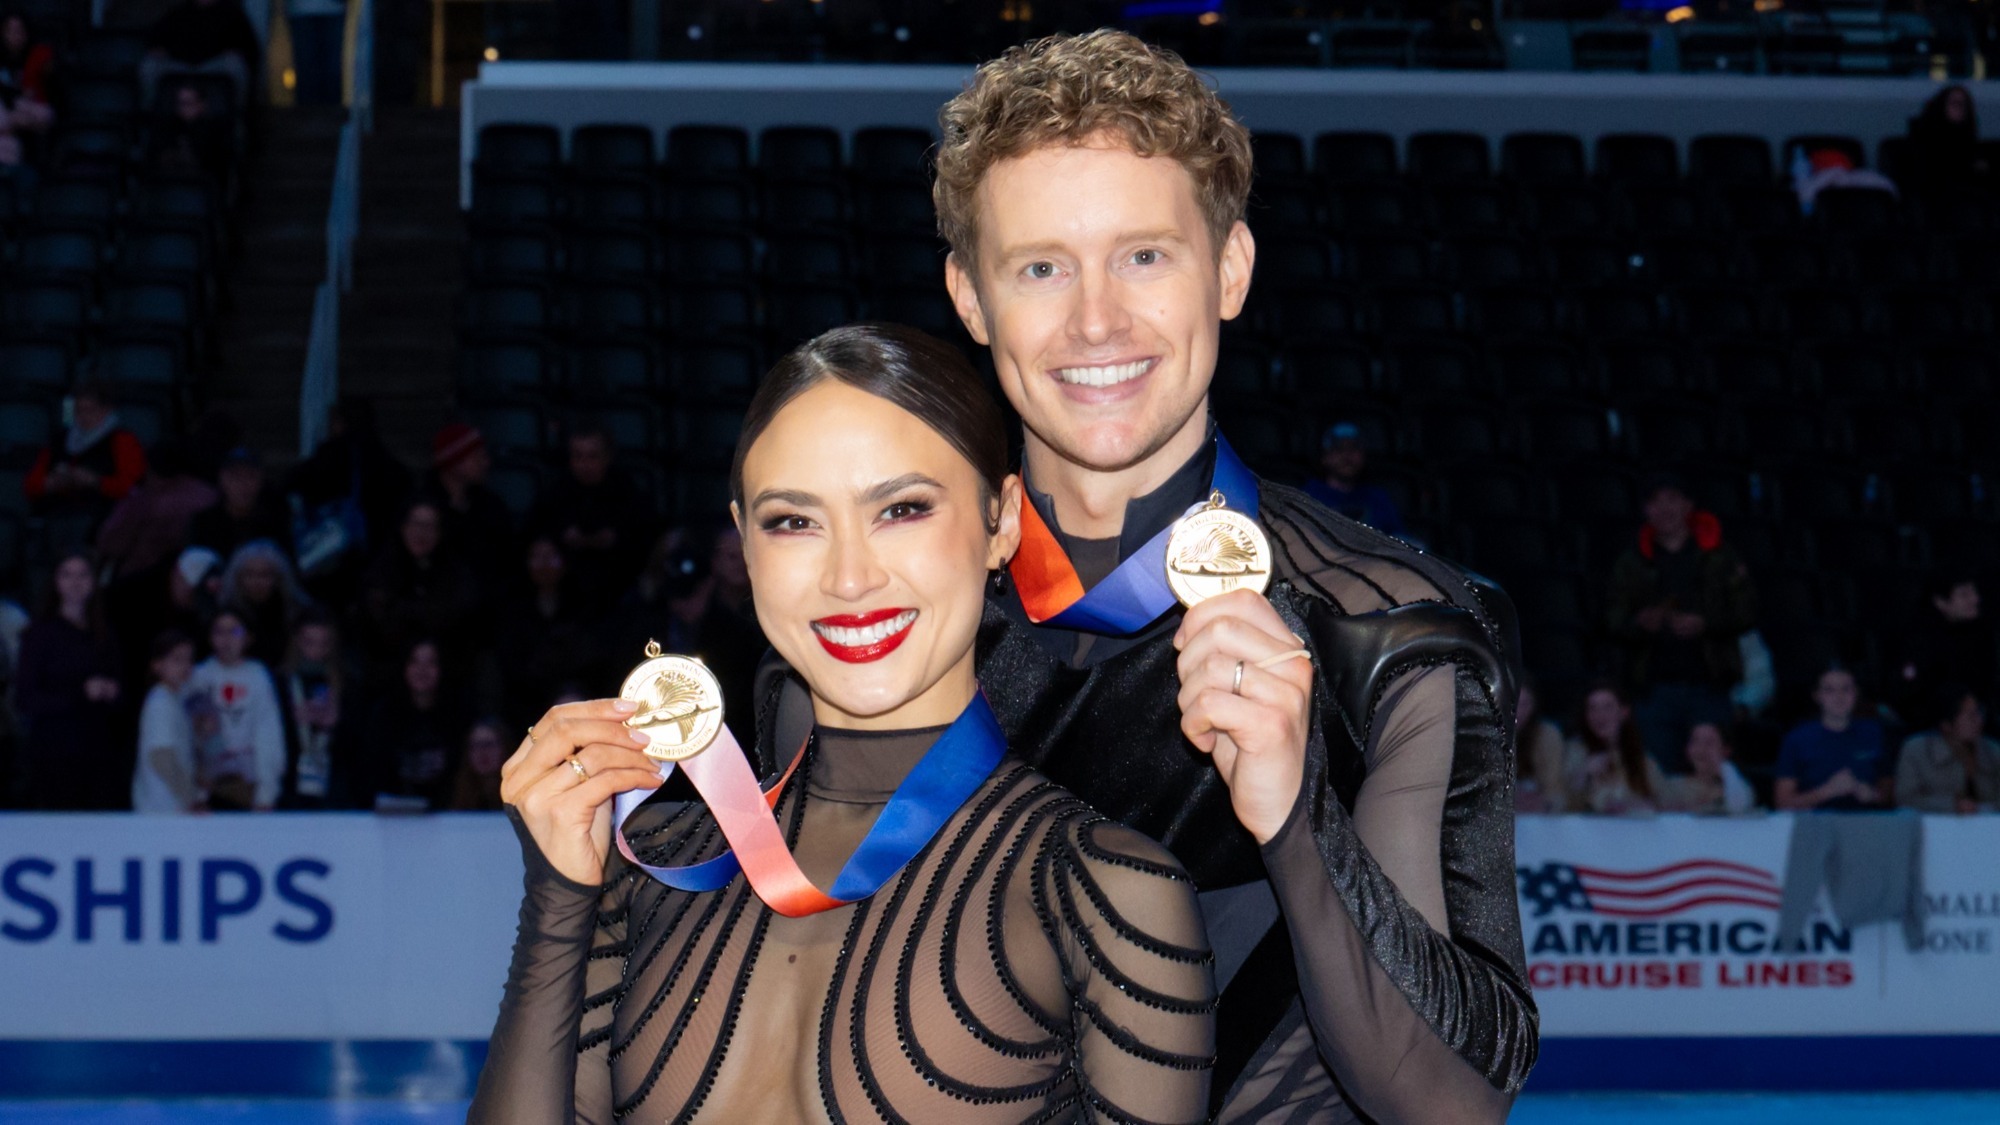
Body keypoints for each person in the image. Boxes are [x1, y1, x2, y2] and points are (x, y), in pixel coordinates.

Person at [870, 30, 1524, 1121]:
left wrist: (1294, 815)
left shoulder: (1396, 629)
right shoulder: (881, 622)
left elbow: (1451, 1105)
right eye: (1040, 267)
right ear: (969, 298)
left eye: (1143, 255)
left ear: (1228, 270)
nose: (1094, 322)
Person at [472, 324, 1216, 1123]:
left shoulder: (1099, 894)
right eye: (794, 521)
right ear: (745, 544)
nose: (850, 576)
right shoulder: (649, 869)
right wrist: (557, 899)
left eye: (901, 508)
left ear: (1003, 520)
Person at [1606, 473, 1755, 772]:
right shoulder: (1631, 562)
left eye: (1672, 499)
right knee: (1658, 776)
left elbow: (1747, 612)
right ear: (1646, 509)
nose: (1665, 509)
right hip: (1654, 690)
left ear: (1688, 505)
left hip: (1709, 685)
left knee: (1716, 775)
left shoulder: (1719, 557)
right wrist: (1640, 623)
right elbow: (1611, 619)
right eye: (1655, 502)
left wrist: (1706, 624)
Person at [14, 552, 124, 809]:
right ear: (56, 582)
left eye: (83, 575)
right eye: (67, 574)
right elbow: (25, 698)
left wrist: (112, 692)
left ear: (94, 581)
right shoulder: (40, 634)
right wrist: (80, 694)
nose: (75, 582)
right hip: (56, 753)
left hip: (99, 750)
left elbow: (123, 694)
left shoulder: (105, 634)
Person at [523, 421, 652, 616]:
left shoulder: (626, 490)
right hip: (566, 580)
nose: (585, 464)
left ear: (607, 457)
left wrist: (615, 539)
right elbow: (534, 530)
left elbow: (644, 535)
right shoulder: (556, 491)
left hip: (618, 579)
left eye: (592, 456)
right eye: (578, 456)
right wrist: (560, 538)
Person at [23, 382, 149, 551]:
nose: (83, 416)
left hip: (103, 521)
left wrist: (95, 481)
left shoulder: (122, 440)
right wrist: (51, 483)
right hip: (58, 516)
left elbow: (131, 488)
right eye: (78, 410)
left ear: (106, 410)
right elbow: (31, 484)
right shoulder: (60, 439)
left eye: (90, 410)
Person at [358, 498, 480, 670]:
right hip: (388, 666)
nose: (421, 533)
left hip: (446, 669)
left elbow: (456, 619)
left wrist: (405, 610)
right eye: (415, 524)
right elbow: (379, 623)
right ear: (403, 526)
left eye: (430, 526)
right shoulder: (382, 569)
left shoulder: (456, 573)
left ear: (440, 531)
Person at [495, 535, 599, 730]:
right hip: (526, 703)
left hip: (574, 697)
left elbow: (589, 660)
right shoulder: (514, 610)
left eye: (550, 556)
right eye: (537, 557)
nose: (543, 564)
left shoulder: (581, 606)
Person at [188, 607, 286, 811]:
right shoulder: (198, 676)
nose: (227, 639)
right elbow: (195, 735)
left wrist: (266, 793)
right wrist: (198, 793)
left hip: (249, 786)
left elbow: (268, 734)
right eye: (219, 632)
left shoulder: (258, 676)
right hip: (208, 787)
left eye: (235, 632)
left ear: (248, 637)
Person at [362, 638, 467, 811]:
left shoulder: (458, 715)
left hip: (446, 817)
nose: (422, 670)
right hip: (391, 816)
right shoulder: (384, 715)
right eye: (415, 662)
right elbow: (372, 770)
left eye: (430, 663)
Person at [95, 437, 219, 581]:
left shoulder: (143, 498)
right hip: (196, 578)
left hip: (143, 580)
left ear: (149, 466)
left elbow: (110, 543)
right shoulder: (209, 495)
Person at [1774, 665, 1888, 812]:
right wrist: (1826, 791)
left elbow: (1890, 790)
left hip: (1866, 823)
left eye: (1846, 689)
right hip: (1814, 826)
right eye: (1829, 690)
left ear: (1856, 693)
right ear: (1817, 696)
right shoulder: (1797, 739)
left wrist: (1873, 794)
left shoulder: (1873, 733)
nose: (1839, 697)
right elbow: (1782, 803)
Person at [424, 422, 515, 605]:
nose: (486, 462)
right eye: (477, 457)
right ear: (455, 463)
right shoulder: (422, 511)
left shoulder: (493, 507)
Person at [1893, 573, 1995, 723]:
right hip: (1935, 727)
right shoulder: (1919, 641)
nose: (1975, 599)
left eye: (1974, 592)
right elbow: (1909, 697)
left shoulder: (1981, 632)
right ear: (1941, 602)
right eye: (1964, 595)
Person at [278, 608, 348, 808]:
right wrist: (292, 722)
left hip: (334, 790)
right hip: (289, 786)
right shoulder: (280, 683)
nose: (316, 650)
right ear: (297, 641)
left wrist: (336, 723)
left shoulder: (346, 683)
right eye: (309, 642)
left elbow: (358, 745)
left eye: (324, 643)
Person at [1895, 686, 2000, 814]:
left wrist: (1982, 809)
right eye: (1971, 716)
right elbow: (1906, 799)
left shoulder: (1993, 751)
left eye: (1979, 713)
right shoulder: (1916, 750)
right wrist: (1951, 806)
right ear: (1946, 725)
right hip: (1933, 829)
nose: (1979, 721)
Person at [1566, 683, 1667, 815]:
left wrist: (1636, 806)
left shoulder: (1642, 759)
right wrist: (1585, 774)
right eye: (1592, 708)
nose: (1599, 715)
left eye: (1607, 707)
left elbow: (1663, 802)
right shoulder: (1574, 751)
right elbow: (1562, 805)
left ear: (1623, 712)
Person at [132, 629, 201, 814]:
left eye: (189, 659)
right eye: (177, 660)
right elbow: (161, 756)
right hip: (162, 808)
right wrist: (191, 799)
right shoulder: (160, 702)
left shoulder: (175, 699)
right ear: (157, 665)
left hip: (170, 807)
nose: (185, 666)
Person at [139, 0, 258, 107]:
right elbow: (155, 37)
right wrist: (157, 48)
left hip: (215, 66)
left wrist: (236, 52)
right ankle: (148, 119)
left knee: (236, 65)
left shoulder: (232, 13)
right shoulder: (179, 12)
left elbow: (249, 46)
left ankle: (237, 122)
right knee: (151, 65)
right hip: (179, 64)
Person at [218, 539, 311, 670]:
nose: (257, 582)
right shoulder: (227, 615)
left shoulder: (296, 612)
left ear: (278, 577)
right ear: (238, 577)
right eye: (249, 574)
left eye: (265, 575)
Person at [1303, 421, 1404, 536]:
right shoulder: (1308, 497)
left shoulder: (1378, 499)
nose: (1347, 456)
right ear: (1325, 457)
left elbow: (1398, 540)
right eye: (1339, 449)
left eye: (1354, 449)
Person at [190, 447, 291, 560]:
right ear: (222, 479)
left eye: (250, 476)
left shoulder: (275, 523)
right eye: (236, 477)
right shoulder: (204, 523)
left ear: (261, 480)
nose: (243, 484)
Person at [1901, 86, 1989, 197]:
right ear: (1942, 105)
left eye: (1964, 104)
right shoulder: (1924, 137)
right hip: (1933, 196)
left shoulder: (1967, 137)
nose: (1960, 109)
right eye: (1955, 103)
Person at [1514, 675, 1578, 814]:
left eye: (1525, 704)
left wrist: (1544, 802)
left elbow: (1555, 787)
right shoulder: (1485, 735)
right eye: (1514, 702)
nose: (1518, 711)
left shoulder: (1548, 736)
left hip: (1538, 817)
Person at [1667, 721, 1756, 815]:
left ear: (1726, 750)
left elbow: (1740, 809)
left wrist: (1726, 769)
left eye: (1709, 743)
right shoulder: (1674, 785)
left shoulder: (1737, 785)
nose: (1701, 749)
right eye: (1695, 741)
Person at [284, 0, 345, 106]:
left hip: (334, 9)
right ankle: (308, 117)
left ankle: (331, 117)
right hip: (301, 10)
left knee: (333, 72)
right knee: (307, 72)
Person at [448, 718, 507, 811]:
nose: (482, 752)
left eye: (489, 744)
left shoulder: (517, 793)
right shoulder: (457, 792)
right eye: (476, 745)